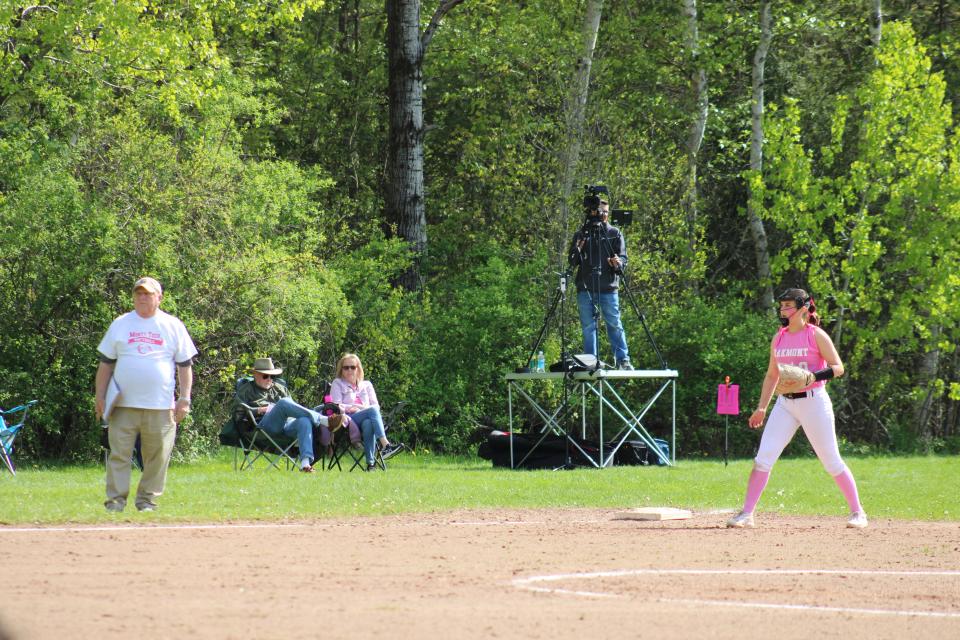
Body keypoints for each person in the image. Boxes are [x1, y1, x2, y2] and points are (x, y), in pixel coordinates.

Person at [727, 288, 867, 529]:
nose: (783, 310)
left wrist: (813, 376)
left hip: (814, 401)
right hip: (785, 404)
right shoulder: (779, 337)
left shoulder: (816, 335)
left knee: (831, 461)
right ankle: (747, 513)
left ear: (803, 308)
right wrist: (761, 407)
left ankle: (858, 512)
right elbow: (772, 376)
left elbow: (838, 367)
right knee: (763, 459)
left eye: (788, 305)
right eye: (782, 306)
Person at [95, 277, 198, 513]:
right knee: (119, 455)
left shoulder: (172, 325)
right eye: (138, 293)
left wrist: (184, 399)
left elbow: (185, 365)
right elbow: (105, 365)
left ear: (159, 298)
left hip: (161, 406)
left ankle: (146, 502)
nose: (142, 297)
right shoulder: (120, 324)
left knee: (157, 457)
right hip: (122, 405)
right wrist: (100, 396)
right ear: (133, 297)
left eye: (148, 294)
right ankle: (115, 503)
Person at [232, 357, 344, 473]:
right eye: (265, 376)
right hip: (264, 426)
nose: (269, 379)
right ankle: (323, 420)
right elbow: (237, 411)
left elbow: (292, 407)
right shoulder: (246, 389)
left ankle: (305, 464)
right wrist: (259, 409)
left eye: (272, 376)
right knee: (283, 403)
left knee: (304, 420)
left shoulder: (279, 388)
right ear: (255, 374)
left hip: (287, 424)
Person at [567, 197, 633, 370]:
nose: (602, 215)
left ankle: (622, 360)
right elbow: (572, 260)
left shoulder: (614, 233)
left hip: (609, 288)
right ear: (592, 212)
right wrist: (578, 247)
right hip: (585, 287)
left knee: (614, 323)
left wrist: (618, 262)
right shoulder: (582, 233)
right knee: (589, 327)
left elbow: (624, 258)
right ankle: (591, 362)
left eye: (605, 212)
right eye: (599, 211)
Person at [329, 353, 398, 471]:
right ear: (341, 369)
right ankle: (385, 444)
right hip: (349, 419)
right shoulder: (337, 383)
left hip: (366, 416)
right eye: (346, 367)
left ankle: (370, 464)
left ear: (358, 368)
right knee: (372, 410)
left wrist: (362, 408)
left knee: (368, 423)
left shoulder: (367, 385)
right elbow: (336, 406)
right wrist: (353, 407)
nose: (349, 370)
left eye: (353, 367)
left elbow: (375, 405)